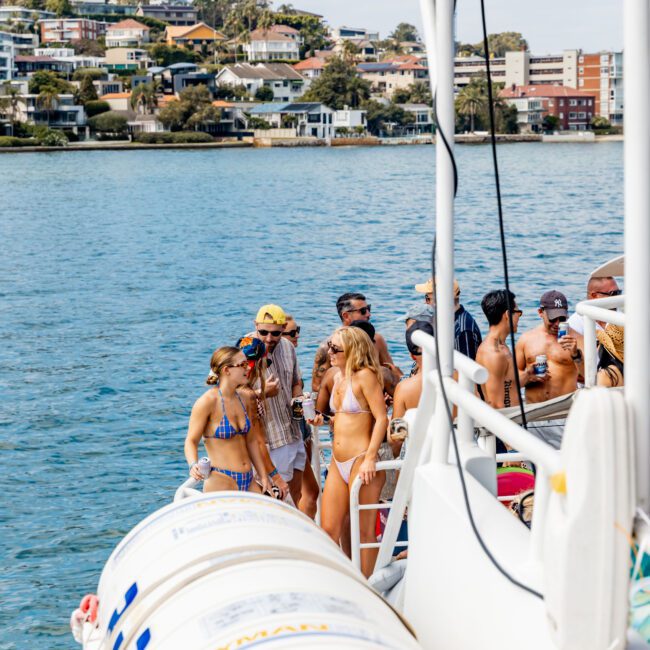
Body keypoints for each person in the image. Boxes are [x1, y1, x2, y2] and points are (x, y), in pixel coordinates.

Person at [314, 326, 388, 577]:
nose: (329, 352)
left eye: (335, 348)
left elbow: (381, 419)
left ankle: (369, 586)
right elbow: (340, 417)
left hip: (361, 460)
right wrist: (322, 421)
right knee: (328, 529)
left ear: (353, 351)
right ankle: (339, 580)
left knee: (364, 532)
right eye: (329, 346)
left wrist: (370, 458)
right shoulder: (337, 377)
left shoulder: (365, 376)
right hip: (338, 460)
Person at [185, 346, 271, 493]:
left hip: (249, 480)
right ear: (227, 370)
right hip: (221, 480)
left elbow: (251, 441)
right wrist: (193, 464)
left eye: (248, 363)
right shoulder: (207, 402)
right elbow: (191, 441)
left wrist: (263, 476)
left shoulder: (245, 398)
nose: (248, 368)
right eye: (243, 365)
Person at [247, 304, 305, 506]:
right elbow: (231, 395)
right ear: (255, 325)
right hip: (270, 440)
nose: (269, 338)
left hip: (293, 432)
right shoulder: (245, 350)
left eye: (275, 334)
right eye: (263, 332)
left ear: (283, 329)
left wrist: (298, 398)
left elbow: (296, 382)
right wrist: (263, 393)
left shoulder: (288, 347)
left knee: (296, 497)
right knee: (277, 500)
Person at [312, 292, 400, 392]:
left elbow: (391, 373)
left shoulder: (377, 340)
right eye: (363, 311)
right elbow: (317, 386)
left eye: (368, 309)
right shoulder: (327, 347)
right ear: (345, 316)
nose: (368, 314)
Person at [235, 335, 289, 499]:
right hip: (255, 467)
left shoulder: (229, 393)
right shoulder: (248, 397)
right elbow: (257, 442)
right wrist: (276, 477)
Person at [281, 313, 320, 519]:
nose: (297, 336)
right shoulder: (274, 360)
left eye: (298, 330)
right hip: (287, 433)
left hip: (300, 428)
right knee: (307, 492)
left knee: (309, 491)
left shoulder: (290, 358)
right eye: (292, 333)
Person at [515, 290, 584, 404]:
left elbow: (590, 377)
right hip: (533, 411)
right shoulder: (525, 339)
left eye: (562, 319)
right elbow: (512, 379)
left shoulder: (578, 339)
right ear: (540, 312)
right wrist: (528, 377)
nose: (557, 324)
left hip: (563, 411)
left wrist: (576, 355)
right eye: (552, 319)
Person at [476, 289, 537, 409]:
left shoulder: (502, 346)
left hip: (515, 419)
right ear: (508, 315)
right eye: (518, 312)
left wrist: (528, 374)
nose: (519, 317)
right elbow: (495, 404)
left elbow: (508, 384)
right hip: (506, 424)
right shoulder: (493, 354)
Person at [389, 321, 433, 457]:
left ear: (412, 356)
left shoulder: (404, 389)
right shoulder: (462, 379)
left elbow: (397, 437)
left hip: (421, 459)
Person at [415, 277, 482, 360]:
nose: (425, 303)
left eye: (427, 298)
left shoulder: (463, 331)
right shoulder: (451, 321)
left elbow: (466, 369)